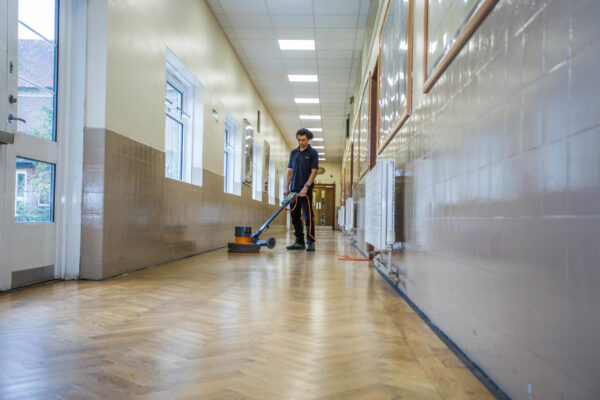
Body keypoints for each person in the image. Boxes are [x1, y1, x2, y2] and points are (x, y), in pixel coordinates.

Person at [284, 128, 319, 252]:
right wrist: (286, 187)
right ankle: (299, 242)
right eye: (299, 140)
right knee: (294, 216)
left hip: (306, 191)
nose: (301, 142)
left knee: (308, 216)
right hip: (294, 190)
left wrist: (306, 187)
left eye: (303, 140)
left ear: (308, 139)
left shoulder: (313, 153)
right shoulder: (293, 153)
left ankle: (311, 242)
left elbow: (314, 172)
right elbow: (290, 171)